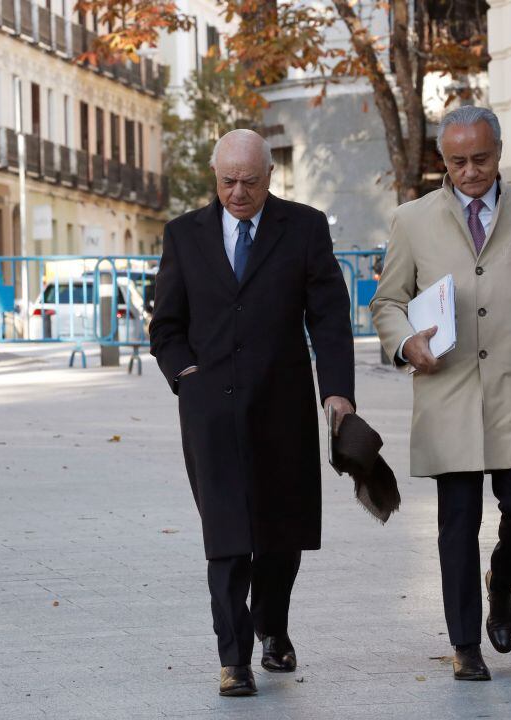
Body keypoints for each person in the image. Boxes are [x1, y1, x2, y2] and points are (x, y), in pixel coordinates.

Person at [370, 106, 511, 681]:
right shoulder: (411, 220)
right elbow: (388, 301)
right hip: (447, 389)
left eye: (481, 159)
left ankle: (504, 578)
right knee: (457, 520)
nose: (470, 171)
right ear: (443, 162)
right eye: (457, 161)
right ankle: (465, 645)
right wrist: (405, 344)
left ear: (499, 152)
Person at [148, 129, 355, 697]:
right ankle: (234, 658)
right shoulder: (183, 235)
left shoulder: (304, 227)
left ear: (270, 176)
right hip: (210, 411)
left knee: (281, 536)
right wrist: (186, 376)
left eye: (250, 181)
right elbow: (165, 326)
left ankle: (272, 623)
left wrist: (336, 391)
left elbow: (330, 317)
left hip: (282, 405)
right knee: (228, 536)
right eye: (227, 181)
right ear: (214, 177)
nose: (238, 193)